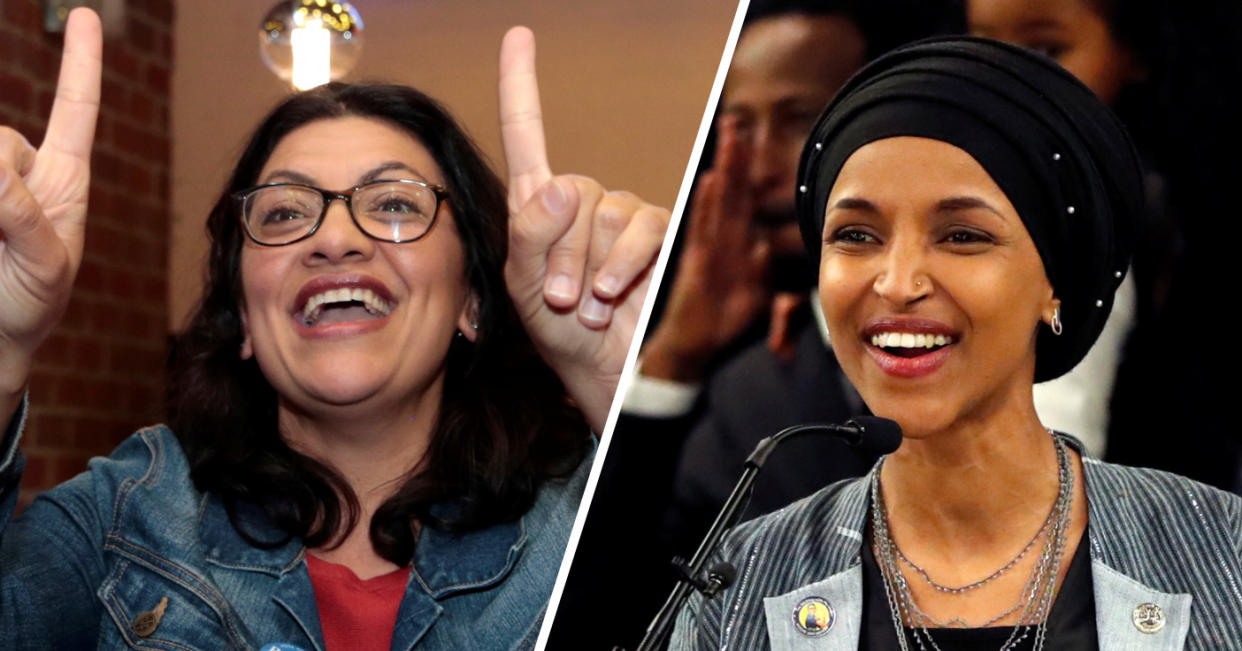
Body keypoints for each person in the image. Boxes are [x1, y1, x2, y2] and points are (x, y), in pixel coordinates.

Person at [0, 10, 670, 649]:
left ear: (472, 297)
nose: (336, 238)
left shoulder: (581, 518)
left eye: (395, 202)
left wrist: (616, 388)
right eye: (287, 212)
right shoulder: (123, 516)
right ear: (245, 319)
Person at [672, 37, 1242, 650]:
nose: (897, 283)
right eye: (857, 235)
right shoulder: (744, 577)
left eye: (962, 235)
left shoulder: (1221, 549)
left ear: (1057, 283)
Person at [545, 3, 963, 648]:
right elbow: (604, 612)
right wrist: (671, 362)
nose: (762, 166)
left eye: (799, 121)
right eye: (737, 129)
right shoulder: (746, 377)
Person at [967, 0, 1242, 493]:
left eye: (1045, 50)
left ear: (1135, 52)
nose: (1005, 80)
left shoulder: (1085, 217)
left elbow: (1031, 482)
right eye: (983, 46)